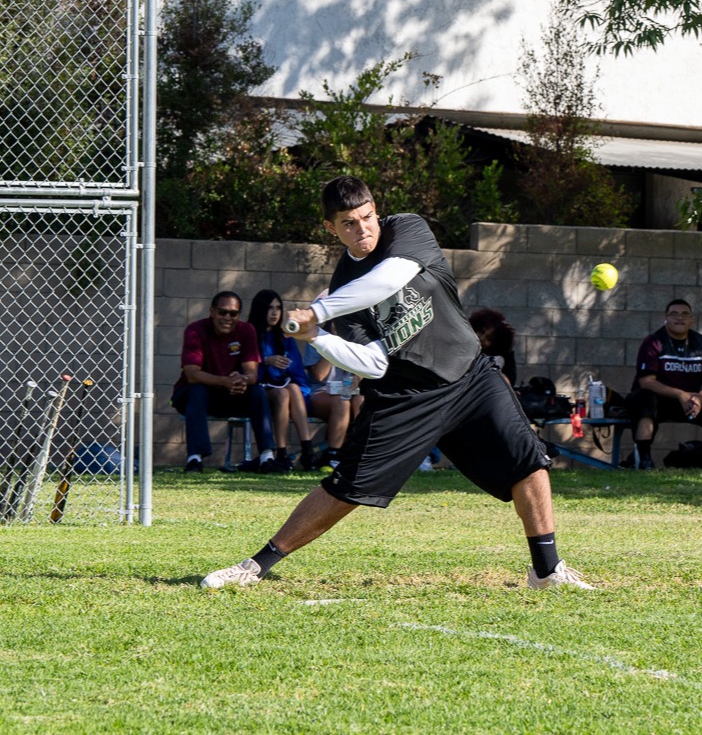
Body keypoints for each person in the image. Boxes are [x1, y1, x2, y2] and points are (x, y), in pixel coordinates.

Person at [200, 175, 592, 590]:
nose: (363, 228)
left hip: (469, 375)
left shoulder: (407, 229)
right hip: (405, 396)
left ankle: (547, 572)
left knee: (528, 460)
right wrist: (317, 335)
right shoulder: (343, 290)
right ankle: (255, 566)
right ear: (330, 229)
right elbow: (372, 363)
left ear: (376, 210)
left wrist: (319, 311)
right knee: (347, 487)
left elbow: (388, 281)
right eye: (349, 223)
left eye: (367, 217)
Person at [624, 298, 702, 470]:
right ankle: (644, 460)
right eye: (674, 314)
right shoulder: (654, 342)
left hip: (694, 401)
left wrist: (701, 396)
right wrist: (680, 394)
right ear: (666, 318)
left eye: (685, 314)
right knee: (643, 398)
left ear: (691, 319)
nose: (680, 318)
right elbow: (646, 381)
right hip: (662, 400)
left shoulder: (701, 342)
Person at [171, 291, 277, 473]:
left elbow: (252, 372)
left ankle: (267, 457)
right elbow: (192, 374)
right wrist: (225, 381)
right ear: (212, 311)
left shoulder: (247, 331)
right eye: (222, 312)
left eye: (233, 314)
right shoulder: (195, 330)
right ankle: (194, 459)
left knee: (257, 391)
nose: (227, 317)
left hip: (232, 394)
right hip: (199, 397)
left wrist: (242, 380)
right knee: (197, 390)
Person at [247, 290, 313, 472]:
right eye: (270, 308)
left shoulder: (285, 337)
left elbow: (298, 372)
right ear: (260, 310)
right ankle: (281, 452)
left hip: (284, 390)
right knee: (284, 392)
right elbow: (247, 370)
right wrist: (265, 362)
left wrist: (304, 395)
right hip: (258, 392)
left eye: (278, 308)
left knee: (293, 388)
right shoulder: (249, 334)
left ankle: (307, 449)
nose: (275, 313)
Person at [469, 307, 517, 385]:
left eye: (489, 339)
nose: (482, 338)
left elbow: (509, 381)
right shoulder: (463, 349)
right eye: (481, 332)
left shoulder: (493, 361)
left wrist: (508, 350)